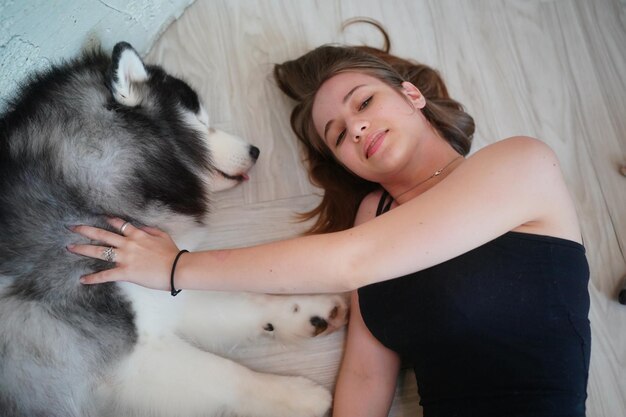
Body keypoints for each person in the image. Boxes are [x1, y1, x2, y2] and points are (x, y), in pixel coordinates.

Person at [68, 23, 591, 417]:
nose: (357, 127)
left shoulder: (521, 164)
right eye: (338, 135)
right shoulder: (371, 217)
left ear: (411, 96)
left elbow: (351, 262)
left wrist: (176, 268)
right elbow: (366, 375)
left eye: (364, 101)